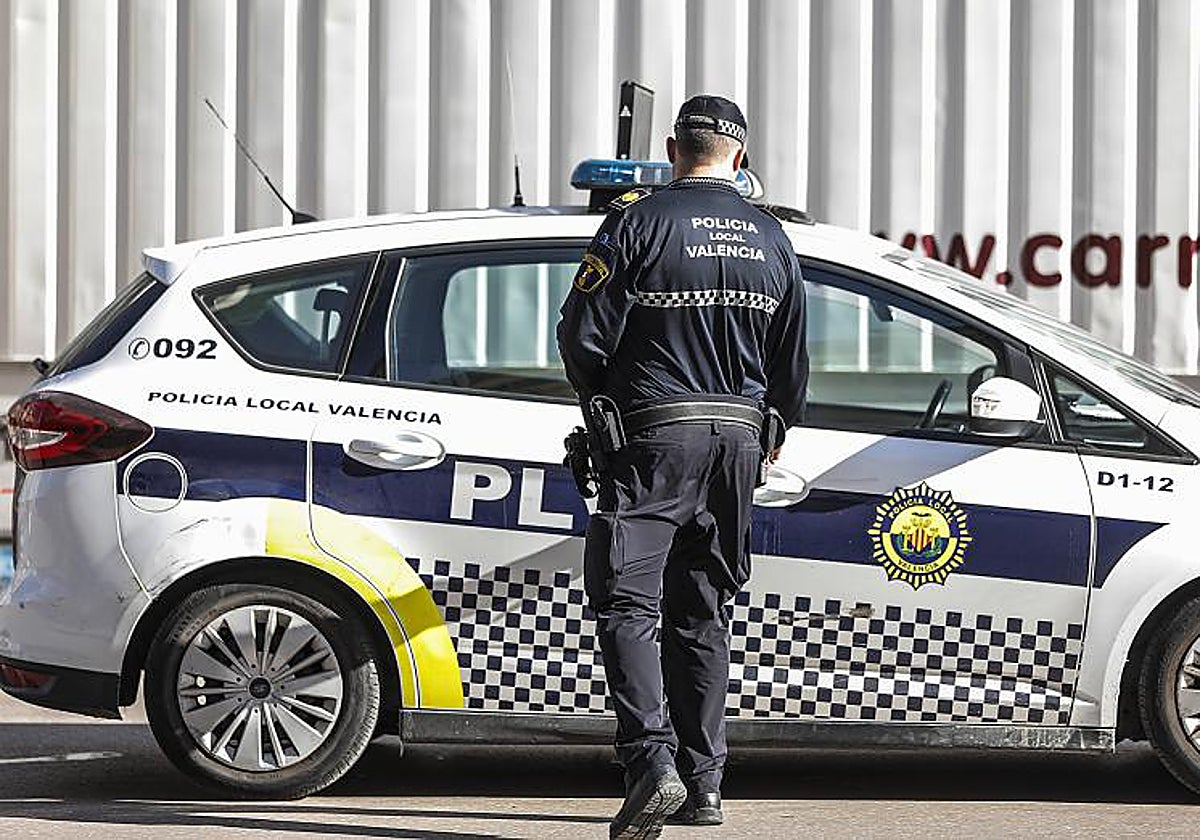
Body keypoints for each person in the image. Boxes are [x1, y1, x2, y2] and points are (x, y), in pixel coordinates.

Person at [557, 94, 808, 839]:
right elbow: (791, 370)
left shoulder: (637, 221)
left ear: (673, 148)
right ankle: (704, 787)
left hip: (653, 441)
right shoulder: (773, 240)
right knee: (703, 611)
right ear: (740, 156)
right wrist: (768, 436)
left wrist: (598, 407)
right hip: (737, 447)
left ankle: (651, 767)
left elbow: (581, 335)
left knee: (628, 605)